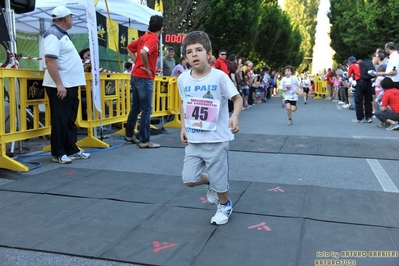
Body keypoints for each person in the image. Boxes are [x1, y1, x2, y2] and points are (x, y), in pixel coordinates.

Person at [177, 31, 242, 225]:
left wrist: (235, 116)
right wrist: (183, 127)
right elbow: (183, 103)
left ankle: (224, 205)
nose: (194, 55)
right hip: (194, 139)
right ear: (186, 57)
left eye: (199, 50)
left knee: (220, 179)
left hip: (216, 139)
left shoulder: (219, 77)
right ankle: (209, 182)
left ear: (209, 53)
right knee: (189, 179)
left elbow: (237, 98)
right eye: (190, 52)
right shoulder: (182, 79)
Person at [43, 6, 90, 164]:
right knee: (60, 119)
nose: (72, 19)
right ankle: (58, 152)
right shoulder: (53, 34)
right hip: (61, 85)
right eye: (71, 17)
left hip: (69, 84)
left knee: (69, 119)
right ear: (65, 19)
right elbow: (50, 61)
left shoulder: (61, 34)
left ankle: (71, 149)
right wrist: (59, 84)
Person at [124, 15, 164, 148]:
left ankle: (129, 134)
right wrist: (146, 67)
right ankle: (144, 140)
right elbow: (143, 52)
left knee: (136, 107)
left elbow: (130, 48)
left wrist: (137, 63)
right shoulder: (153, 39)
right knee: (146, 109)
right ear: (161, 28)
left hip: (135, 75)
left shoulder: (144, 37)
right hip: (145, 78)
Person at [348, 56, 373, 123]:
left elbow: (349, 75)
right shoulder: (363, 64)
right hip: (368, 82)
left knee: (358, 100)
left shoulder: (352, 66)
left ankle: (360, 118)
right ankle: (369, 117)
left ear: (350, 62)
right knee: (368, 100)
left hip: (360, 82)